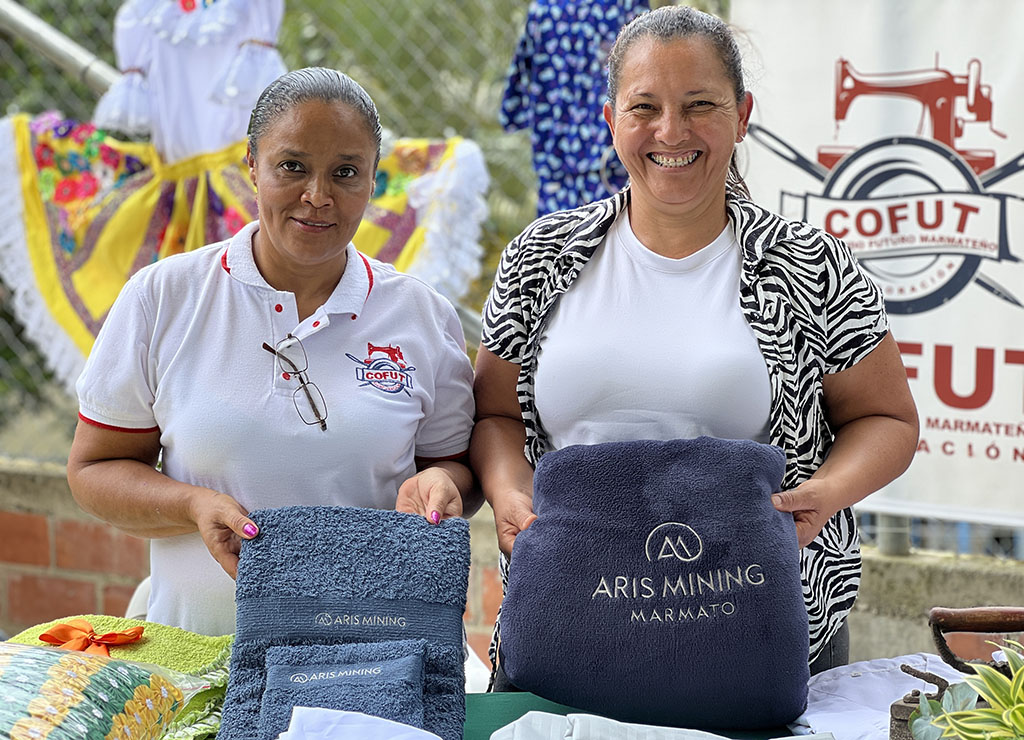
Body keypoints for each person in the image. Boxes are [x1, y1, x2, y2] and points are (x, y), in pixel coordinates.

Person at [471, 6, 919, 687]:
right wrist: (508, 490)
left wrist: (825, 494)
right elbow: (495, 414)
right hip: (571, 619)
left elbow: (887, 420)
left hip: (762, 629)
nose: (671, 131)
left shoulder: (810, 265)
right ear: (611, 119)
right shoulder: (543, 257)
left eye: (700, 104)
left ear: (742, 115)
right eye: (643, 106)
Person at [66, 67, 479, 637]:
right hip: (200, 654)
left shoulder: (422, 317)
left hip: (370, 658)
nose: (318, 196)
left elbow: (454, 466)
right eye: (293, 167)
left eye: (346, 173)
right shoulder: (164, 297)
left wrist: (444, 488)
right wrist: (192, 505)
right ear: (251, 166)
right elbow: (94, 468)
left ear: (373, 181)